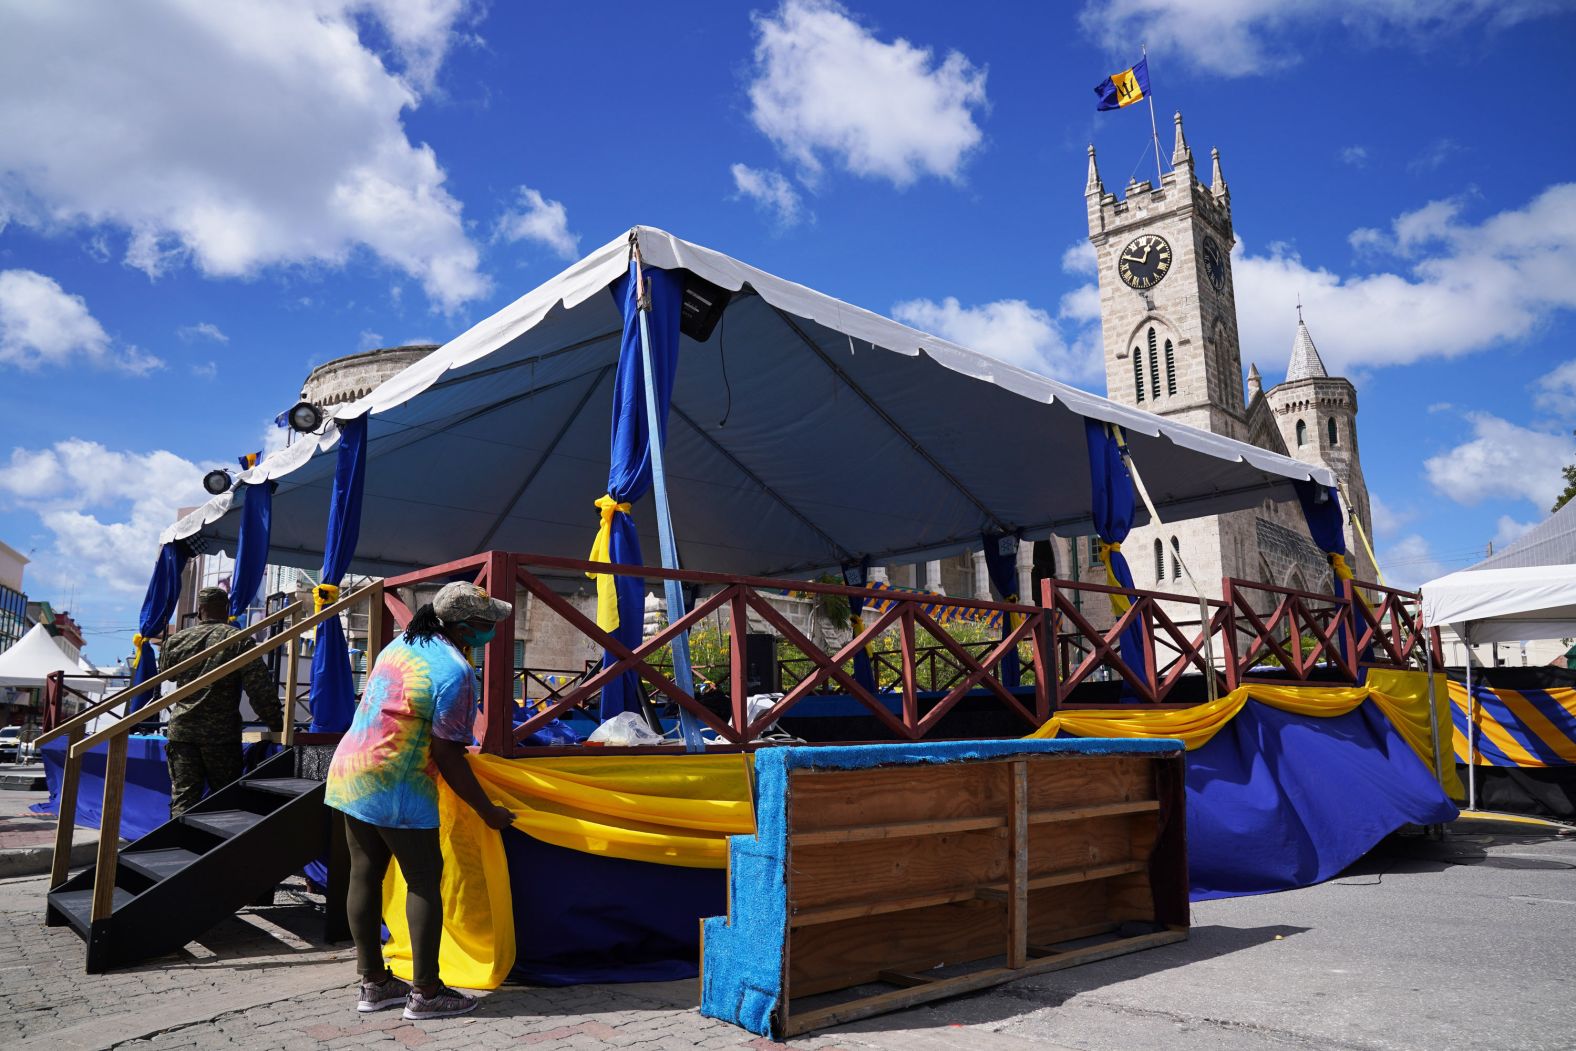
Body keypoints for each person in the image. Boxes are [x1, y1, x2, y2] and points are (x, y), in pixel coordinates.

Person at [324, 580, 516, 1021]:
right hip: (398, 784)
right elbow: (448, 754)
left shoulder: (402, 644)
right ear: (467, 628)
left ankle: (374, 984)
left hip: (353, 768)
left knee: (365, 873)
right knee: (425, 880)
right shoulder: (456, 672)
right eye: (489, 625)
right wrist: (488, 812)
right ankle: (427, 994)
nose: (494, 632)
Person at [161, 586, 283, 817]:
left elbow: (168, 675)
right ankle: (219, 850)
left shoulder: (176, 641)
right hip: (221, 736)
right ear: (226, 610)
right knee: (226, 800)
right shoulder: (237, 640)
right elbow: (259, 688)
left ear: (200, 610)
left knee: (184, 798)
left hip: (182, 731)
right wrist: (277, 724)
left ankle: (180, 847)